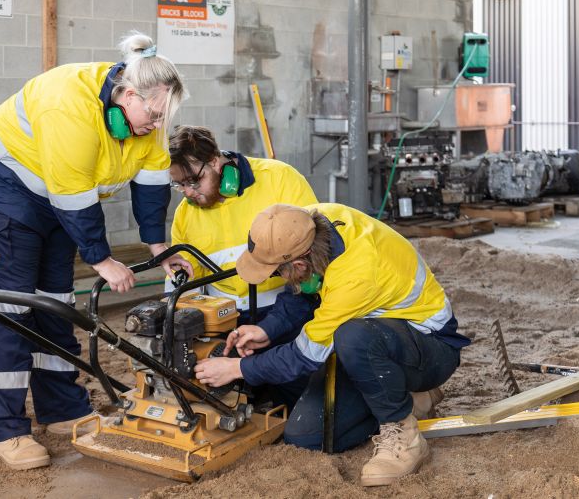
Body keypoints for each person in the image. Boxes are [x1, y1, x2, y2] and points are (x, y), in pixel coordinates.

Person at [0, 31, 193, 470]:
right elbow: (72, 194)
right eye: (154, 114)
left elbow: (152, 186)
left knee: (56, 302)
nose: (157, 125)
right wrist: (102, 260)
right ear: (126, 93)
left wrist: (159, 248)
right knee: (7, 308)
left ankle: (61, 407)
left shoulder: (146, 120)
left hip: (56, 201)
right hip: (0, 192)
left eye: (165, 117)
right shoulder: (68, 105)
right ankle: (4, 430)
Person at [194, 203, 470, 486]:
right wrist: (266, 329)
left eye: (276, 272)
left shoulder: (356, 274)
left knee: (350, 340)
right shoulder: (307, 223)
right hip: (379, 338)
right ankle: (411, 398)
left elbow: (304, 356)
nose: (276, 278)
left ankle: (406, 436)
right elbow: (302, 289)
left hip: (429, 346)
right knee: (304, 434)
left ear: (299, 263)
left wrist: (237, 368)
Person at [167, 126, 318, 408]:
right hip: (225, 328)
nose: (188, 193)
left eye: (193, 181)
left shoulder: (279, 179)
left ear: (214, 160)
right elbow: (187, 283)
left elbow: (312, 264)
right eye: (179, 185)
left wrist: (275, 326)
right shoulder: (185, 214)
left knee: (303, 409)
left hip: (288, 315)